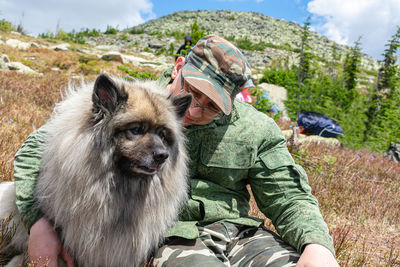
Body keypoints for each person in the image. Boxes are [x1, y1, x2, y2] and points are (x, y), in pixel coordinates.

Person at [13, 35, 339, 267]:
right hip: (174, 239)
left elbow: (289, 196)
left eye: (212, 106)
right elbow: (37, 148)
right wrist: (38, 222)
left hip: (242, 235)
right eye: (192, 93)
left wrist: (317, 246)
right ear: (178, 66)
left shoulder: (256, 129)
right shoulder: (133, 97)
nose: (195, 111)